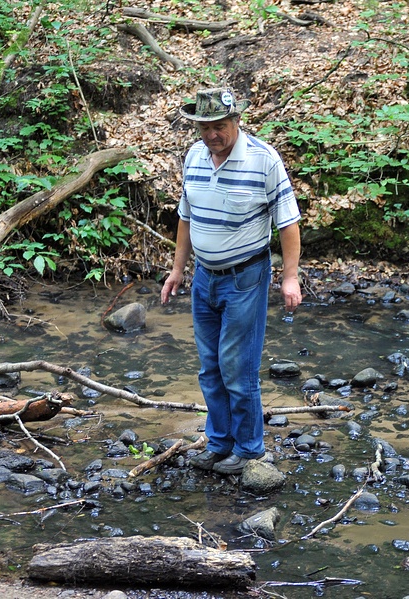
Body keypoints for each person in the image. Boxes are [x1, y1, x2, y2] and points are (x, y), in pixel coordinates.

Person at [160, 87, 302, 475]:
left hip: (246, 278)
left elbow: (288, 222)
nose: (211, 136)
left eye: (219, 127)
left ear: (237, 121)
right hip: (204, 277)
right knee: (210, 367)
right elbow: (185, 217)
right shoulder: (194, 157)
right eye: (204, 128)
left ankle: (250, 449)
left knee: (237, 368)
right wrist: (177, 271)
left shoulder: (263, 159)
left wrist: (290, 278)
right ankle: (219, 443)